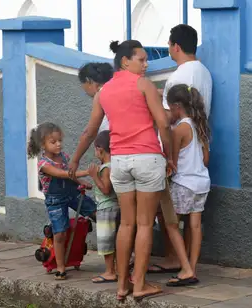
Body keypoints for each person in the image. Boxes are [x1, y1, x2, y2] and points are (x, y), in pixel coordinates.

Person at [68, 39, 175, 301]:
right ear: (125, 61)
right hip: (147, 158)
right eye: (141, 59)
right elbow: (163, 123)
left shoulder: (104, 92)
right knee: (144, 224)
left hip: (120, 162)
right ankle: (140, 285)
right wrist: (170, 157)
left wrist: (74, 159)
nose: (146, 64)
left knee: (126, 223)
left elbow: (90, 131)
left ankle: (121, 285)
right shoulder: (144, 85)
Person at [150, 23, 213, 274]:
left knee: (169, 217)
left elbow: (166, 119)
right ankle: (190, 264)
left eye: (169, 45)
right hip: (199, 169)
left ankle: (174, 258)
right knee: (194, 223)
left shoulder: (178, 76)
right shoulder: (204, 72)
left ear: (175, 46)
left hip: (182, 168)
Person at [27, 122, 96, 280]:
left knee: (95, 212)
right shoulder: (43, 164)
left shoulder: (63, 156)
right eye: (53, 142)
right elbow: (61, 174)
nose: (58, 144)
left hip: (72, 192)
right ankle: (60, 267)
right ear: (43, 144)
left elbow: (69, 174)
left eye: (60, 141)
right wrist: (86, 172)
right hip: (56, 200)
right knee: (60, 232)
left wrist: (81, 182)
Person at [166, 84, 210, 284]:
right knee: (195, 226)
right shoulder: (199, 125)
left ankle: (184, 268)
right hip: (202, 183)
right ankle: (192, 268)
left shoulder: (180, 129)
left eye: (169, 108)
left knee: (172, 224)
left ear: (176, 106)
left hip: (184, 183)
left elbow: (172, 163)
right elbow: (206, 158)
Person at [89, 130, 119, 284]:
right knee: (116, 240)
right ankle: (118, 269)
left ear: (100, 149)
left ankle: (109, 271)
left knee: (106, 241)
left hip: (106, 208)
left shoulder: (106, 168)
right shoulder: (115, 164)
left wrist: (95, 176)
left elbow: (106, 189)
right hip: (116, 207)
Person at [78, 62, 114, 132]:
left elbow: (90, 133)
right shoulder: (115, 89)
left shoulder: (101, 95)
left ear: (88, 80)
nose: (84, 90)